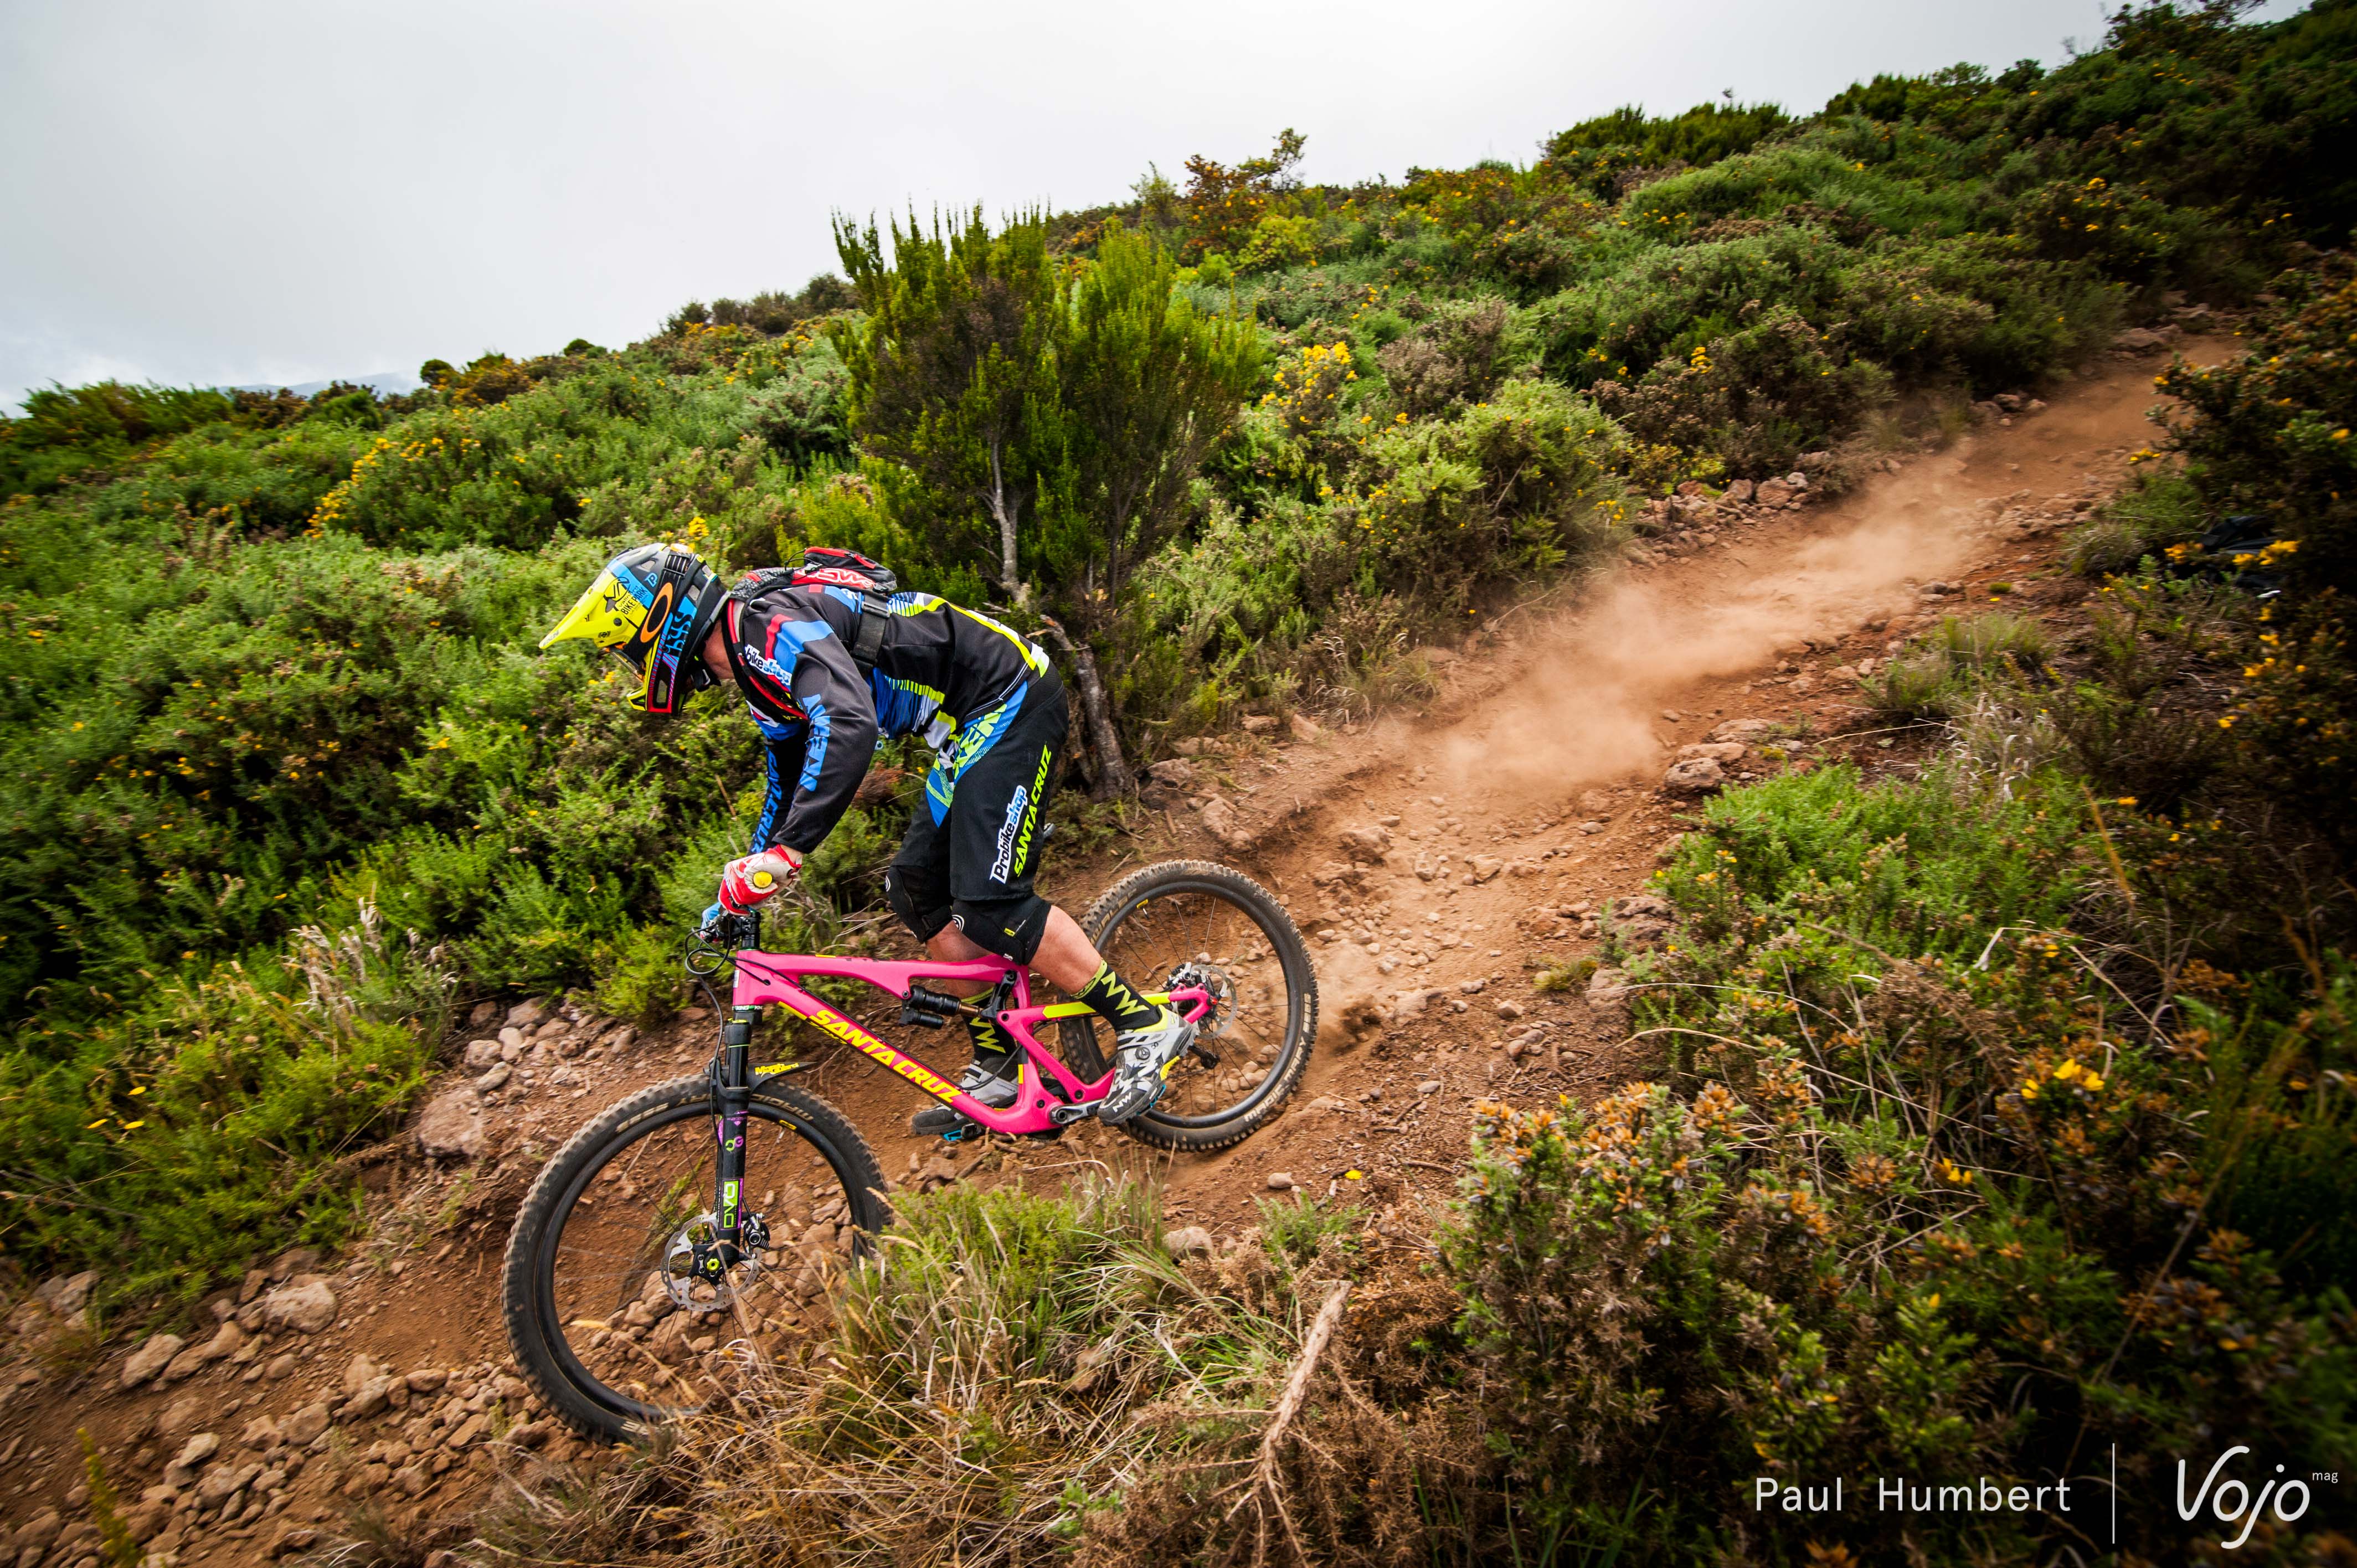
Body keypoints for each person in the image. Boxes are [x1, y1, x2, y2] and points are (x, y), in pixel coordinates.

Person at [539, 542, 1193, 1127]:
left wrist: (789, 852)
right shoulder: (751, 661)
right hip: (964, 730)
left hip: (1010, 698)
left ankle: (1144, 1023)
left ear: (660, 624)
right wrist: (745, 883)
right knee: (915, 890)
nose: (628, 665)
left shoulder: (771, 628)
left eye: (625, 650)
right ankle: (998, 1063)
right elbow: (788, 774)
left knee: (990, 901)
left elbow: (847, 725)